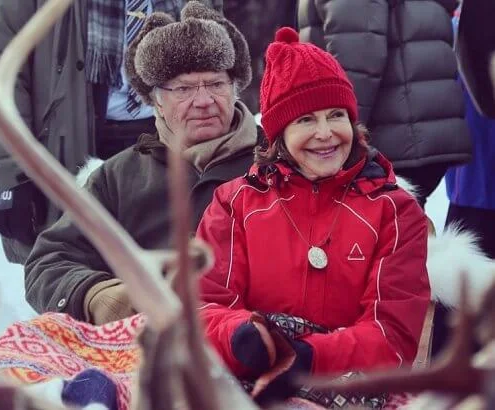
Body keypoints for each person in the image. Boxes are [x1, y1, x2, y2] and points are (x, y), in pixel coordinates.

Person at [197, 27, 431, 403]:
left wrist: (308, 357)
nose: (325, 133)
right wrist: (241, 338)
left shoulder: (395, 211)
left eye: (336, 115)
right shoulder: (235, 203)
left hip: (354, 384)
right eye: (305, 120)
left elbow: (392, 335)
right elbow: (204, 305)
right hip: (251, 376)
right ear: (278, 135)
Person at [24, 1, 260, 326]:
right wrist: (96, 295)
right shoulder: (119, 177)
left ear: (235, 88)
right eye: (184, 89)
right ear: (156, 102)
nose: (204, 101)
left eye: (216, 84)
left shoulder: (275, 161)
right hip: (146, 352)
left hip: (256, 341)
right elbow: (49, 260)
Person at [0, 0, 222, 264]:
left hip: (169, 141)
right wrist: (15, 176)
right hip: (74, 148)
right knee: (80, 279)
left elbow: (218, 49)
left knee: (172, 278)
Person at [296, 0, 471, 209]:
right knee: (404, 229)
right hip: (415, 131)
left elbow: (357, 61)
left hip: (389, 141)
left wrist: (336, 137)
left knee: (384, 231)